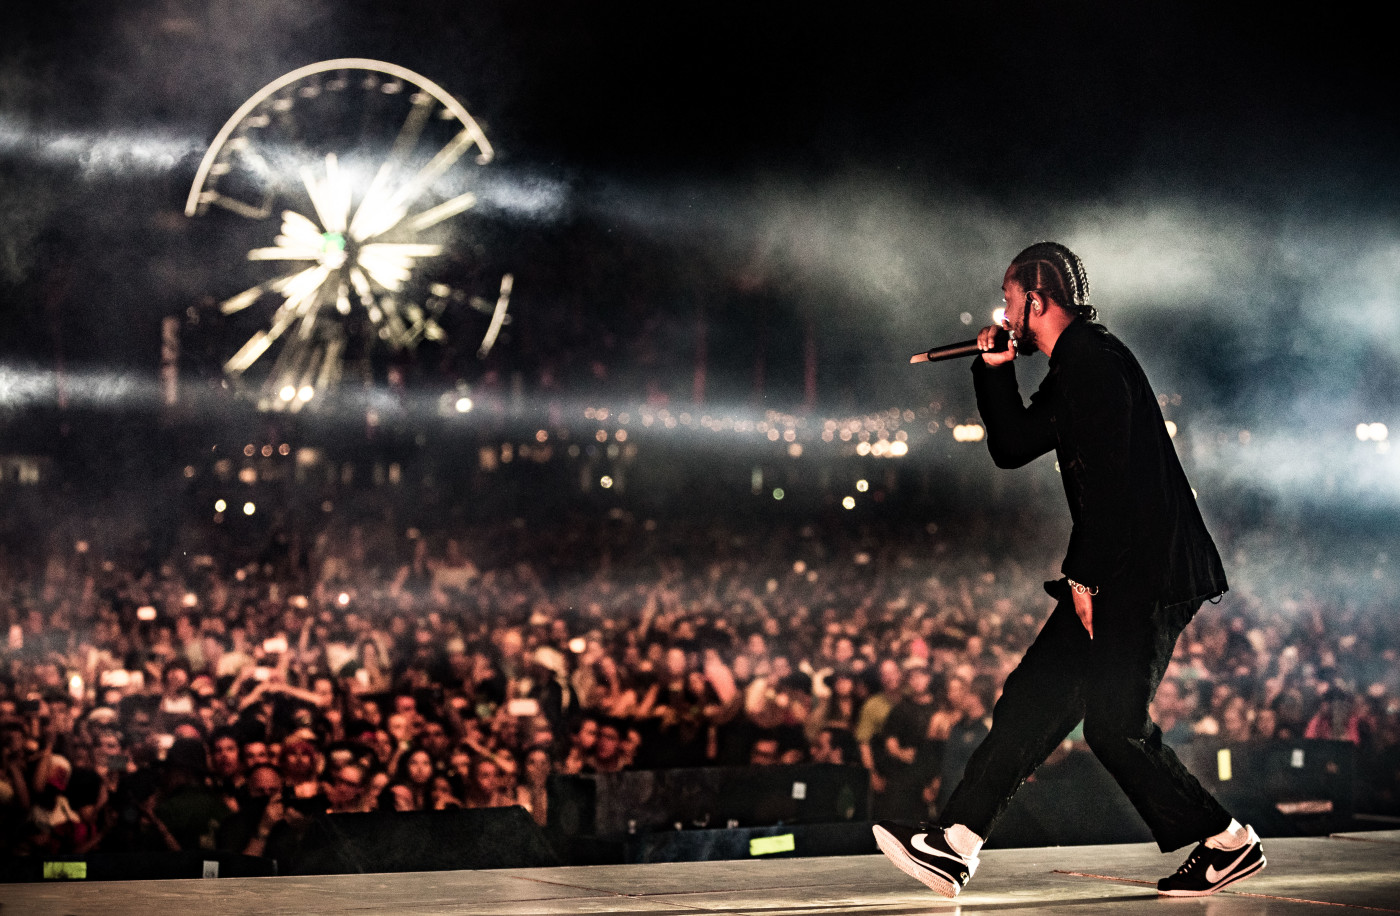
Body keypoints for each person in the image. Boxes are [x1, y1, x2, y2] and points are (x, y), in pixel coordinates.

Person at [873, 243, 1265, 899]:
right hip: (1120, 563)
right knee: (1033, 699)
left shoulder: (1093, 360)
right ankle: (957, 844)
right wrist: (995, 371)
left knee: (1115, 727)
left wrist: (1084, 578)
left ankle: (1229, 843)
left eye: (1008, 298)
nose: (1003, 312)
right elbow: (1013, 446)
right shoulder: (1075, 362)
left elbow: (1111, 485)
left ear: (1036, 298)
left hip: (1145, 570)